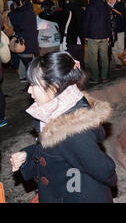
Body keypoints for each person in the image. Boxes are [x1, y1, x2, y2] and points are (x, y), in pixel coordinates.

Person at [10, 52, 117, 202]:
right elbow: (56, 151)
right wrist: (28, 156)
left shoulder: (71, 129)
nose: (29, 90)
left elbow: (103, 169)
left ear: (54, 87)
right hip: (66, 190)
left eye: (34, 84)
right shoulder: (58, 111)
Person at [8, 0, 39, 80]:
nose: (14, 4)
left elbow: (19, 26)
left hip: (26, 43)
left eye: (15, 2)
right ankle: (30, 83)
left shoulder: (25, 12)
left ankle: (33, 84)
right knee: (29, 66)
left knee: (29, 67)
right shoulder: (27, 10)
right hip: (28, 42)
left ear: (20, 2)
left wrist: (11, 13)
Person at [83, 0, 111, 84]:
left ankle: (95, 77)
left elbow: (86, 22)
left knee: (93, 58)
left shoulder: (90, 6)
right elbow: (108, 22)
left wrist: (85, 34)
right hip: (104, 35)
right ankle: (104, 77)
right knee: (104, 57)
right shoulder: (105, 5)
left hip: (92, 35)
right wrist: (108, 34)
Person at [62, 0, 85, 69]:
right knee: (80, 59)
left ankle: (75, 77)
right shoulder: (80, 9)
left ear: (67, 0)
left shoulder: (67, 10)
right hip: (80, 39)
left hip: (72, 39)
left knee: (72, 60)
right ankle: (82, 75)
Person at [107, 0, 126, 68]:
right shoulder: (105, 7)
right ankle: (117, 62)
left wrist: (125, 27)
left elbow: (125, 17)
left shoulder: (120, 6)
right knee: (114, 47)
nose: (111, 0)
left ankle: (122, 61)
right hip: (111, 32)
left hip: (120, 30)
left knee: (121, 46)